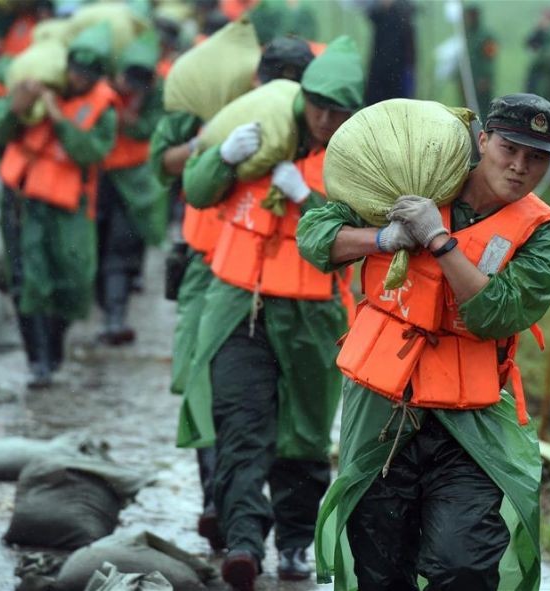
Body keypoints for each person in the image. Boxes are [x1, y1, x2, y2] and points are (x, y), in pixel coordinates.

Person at [297, 93, 550, 590]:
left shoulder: (542, 234)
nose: (520, 167)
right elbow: (316, 238)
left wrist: (439, 242)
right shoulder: (417, 178)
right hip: (385, 407)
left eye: (538, 158)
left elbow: (498, 313)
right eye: (509, 149)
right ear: (482, 141)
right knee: (380, 563)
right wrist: (382, 239)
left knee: (463, 563)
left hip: (472, 420)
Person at [178, 36, 363, 590]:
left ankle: (297, 542)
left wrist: (305, 196)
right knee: (240, 425)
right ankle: (242, 540)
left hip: (311, 313)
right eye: (319, 105)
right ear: (301, 97)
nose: (327, 119)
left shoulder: (354, 163)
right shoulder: (258, 133)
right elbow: (199, 190)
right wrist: (222, 156)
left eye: (339, 110)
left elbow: (350, 232)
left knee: (303, 438)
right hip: (238, 305)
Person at [150, 34, 316, 555]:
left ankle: (265, 523)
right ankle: (220, 505)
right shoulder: (226, 114)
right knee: (209, 392)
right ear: (256, 78)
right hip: (212, 269)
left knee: (288, 417)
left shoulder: (323, 132)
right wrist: (214, 148)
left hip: (288, 292)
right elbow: (167, 166)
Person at [0, 23, 118, 388]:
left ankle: (54, 347)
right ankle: (39, 360)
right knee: (29, 281)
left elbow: (91, 151)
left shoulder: (103, 108)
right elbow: (2, 136)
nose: (78, 80)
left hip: (71, 206)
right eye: (74, 72)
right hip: (25, 201)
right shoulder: (36, 91)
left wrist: (59, 118)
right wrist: (17, 109)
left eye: (86, 74)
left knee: (75, 281)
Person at [96, 35, 165, 345]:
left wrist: (132, 121)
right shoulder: (100, 91)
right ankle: (107, 310)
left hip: (135, 181)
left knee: (119, 250)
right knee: (98, 250)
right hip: (99, 179)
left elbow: (151, 128)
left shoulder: (156, 95)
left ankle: (115, 317)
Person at [365, 0, 416, 104]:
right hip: (380, 72)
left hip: (398, 73)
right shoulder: (379, 15)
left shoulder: (403, 15)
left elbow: (409, 52)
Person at [463, 3, 497, 116]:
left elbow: (490, 58)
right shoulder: (464, 35)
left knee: (482, 109)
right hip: (467, 79)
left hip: (481, 81)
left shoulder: (486, 35)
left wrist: (485, 77)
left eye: (472, 15)